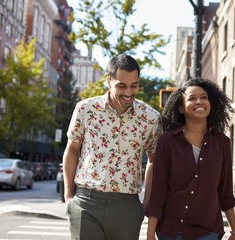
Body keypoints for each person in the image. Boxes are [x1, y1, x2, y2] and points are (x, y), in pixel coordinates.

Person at [63, 54, 162, 240]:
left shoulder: (151, 118)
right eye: (121, 86)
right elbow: (72, 149)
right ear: (108, 81)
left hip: (127, 206)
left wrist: (146, 202)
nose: (129, 92)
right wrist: (68, 197)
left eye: (134, 85)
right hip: (86, 202)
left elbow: (154, 161)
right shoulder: (85, 109)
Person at [145, 77, 235, 240]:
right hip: (171, 229)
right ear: (181, 108)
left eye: (204, 97)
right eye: (192, 98)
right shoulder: (167, 141)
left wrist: (234, 231)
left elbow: (225, 191)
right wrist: (150, 233)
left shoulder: (222, 143)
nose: (199, 101)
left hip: (208, 230)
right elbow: (158, 190)